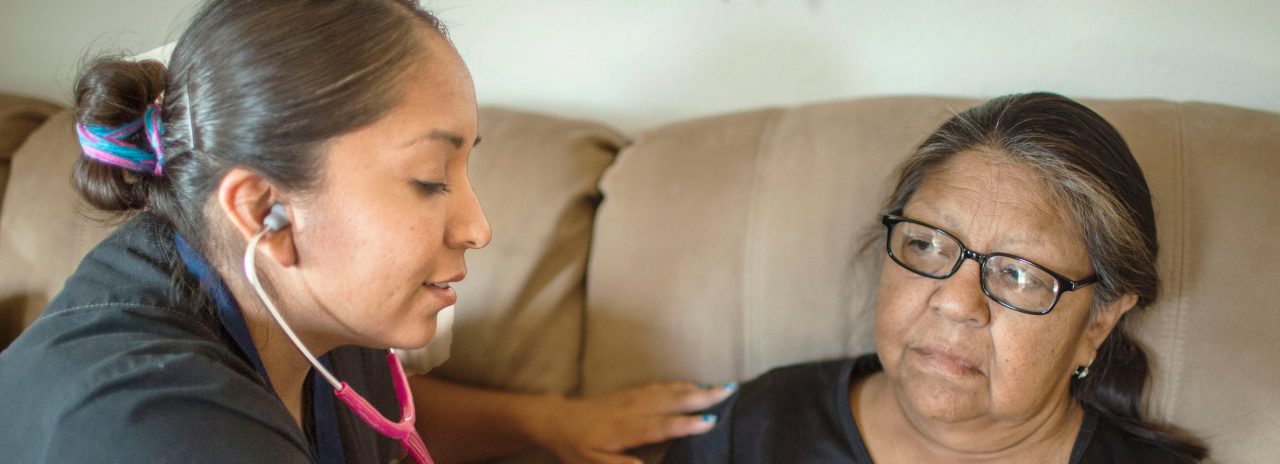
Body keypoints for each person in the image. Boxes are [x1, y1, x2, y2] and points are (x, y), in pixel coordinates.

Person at [0, 1, 731, 462]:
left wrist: (551, 425)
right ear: (264, 211)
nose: (478, 227)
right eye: (428, 180)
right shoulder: (155, 430)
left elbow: (373, 417)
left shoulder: (282, 292)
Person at [662, 93, 1208, 463]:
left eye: (1018, 273)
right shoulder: (756, 426)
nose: (955, 301)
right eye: (926, 243)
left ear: (1100, 320)